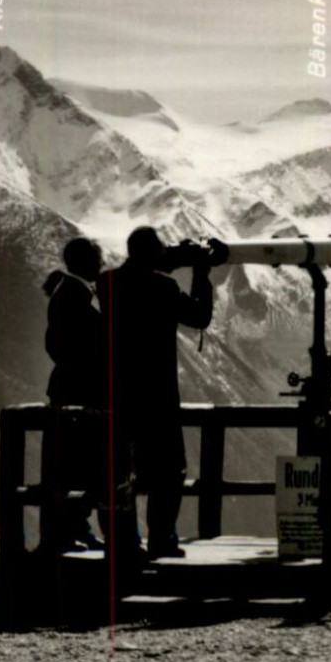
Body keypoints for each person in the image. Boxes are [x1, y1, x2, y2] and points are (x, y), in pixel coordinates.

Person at [97, 227, 222, 561]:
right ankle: (161, 538)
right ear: (154, 253)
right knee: (169, 470)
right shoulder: (163, 288)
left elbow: (134, 276)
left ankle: (121, 542)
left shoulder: (107, 284)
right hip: (158, 395)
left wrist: (168, 259)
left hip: (118, 393)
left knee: (120, 470)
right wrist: (200, 272)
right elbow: (200, 316)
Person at [40, 237, 106, 552]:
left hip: (73, 390)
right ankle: (67, 530)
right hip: (80, 393)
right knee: (77, 463)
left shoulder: (71, 293)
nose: (102, 263)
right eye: (98, 258)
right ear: (85, 262)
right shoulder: (75, 296)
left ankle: (75, 527)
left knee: (78, 464)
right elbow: (63, 344)